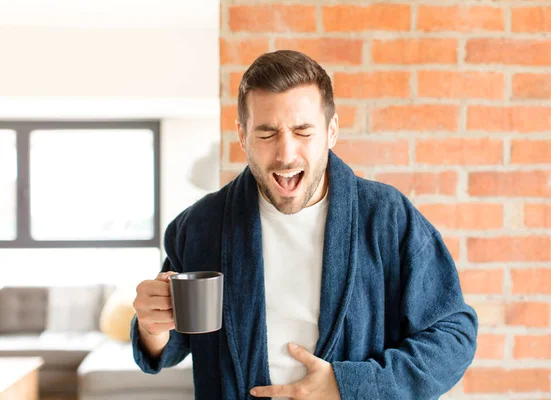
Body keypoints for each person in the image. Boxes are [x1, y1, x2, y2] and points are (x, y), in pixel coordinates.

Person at [131, 50, 478, 400]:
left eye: (303, 132)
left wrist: (348, 385)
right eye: (267, 134)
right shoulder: (200, 225)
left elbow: (453, 335)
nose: (285, 154)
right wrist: (151, 327)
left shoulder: (387, 217)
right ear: (242, 135)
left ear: (331, 131)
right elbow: (171, 345)